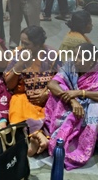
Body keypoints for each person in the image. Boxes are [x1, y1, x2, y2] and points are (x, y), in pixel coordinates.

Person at [46, 43, 98, 170]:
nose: (75, 59)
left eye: (80, 57)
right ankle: (56, 129)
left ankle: (87, 142)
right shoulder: (71, 65)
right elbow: (52, 84)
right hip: (72, 102)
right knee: (58, 90)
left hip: (86, 108)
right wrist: (73, 100)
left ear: (91, 62)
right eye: (75, 55)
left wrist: (81, 93)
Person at [4, 26, 58, 156]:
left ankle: (38, 137)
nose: (23, 46)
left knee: (55, 114)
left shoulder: (52, 55)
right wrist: (19, 64)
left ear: (39, 44)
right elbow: (10, 85)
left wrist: (47, 93)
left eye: (27, 44)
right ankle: (37, 136)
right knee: (17, 108)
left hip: (46, 96)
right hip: (23, 95)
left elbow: (61, 79)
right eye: (22, 42)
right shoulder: (17, 54)